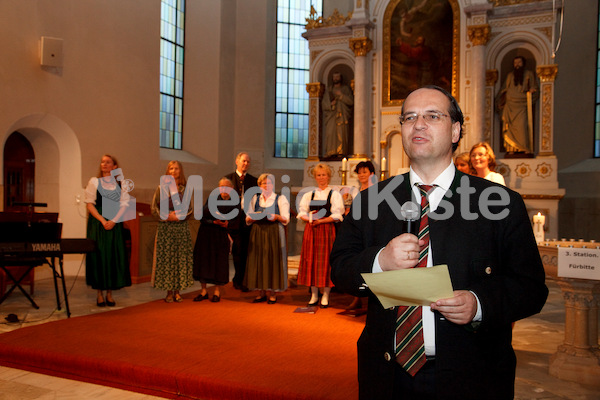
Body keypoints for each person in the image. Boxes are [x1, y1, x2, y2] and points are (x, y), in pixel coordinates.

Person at [330, 85, 548, 399]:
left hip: (471, 375)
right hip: (388, 376)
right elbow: (339, 269)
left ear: (456, 130)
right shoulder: (371, 201)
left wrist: (478, 303)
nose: (418, 124)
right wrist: (380, 262)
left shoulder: (499, 202)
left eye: (433, 116)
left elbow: (531, 288)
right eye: (409, 118)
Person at [84, 154, 131, 307]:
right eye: (102, 162)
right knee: (98, 256)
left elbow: (124, 205)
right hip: (98, 224)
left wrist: (113, 221)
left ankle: (109, 293)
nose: (104, 164)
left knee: (112, 256)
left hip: (114, 223)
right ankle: (99, 293)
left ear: (115, 166)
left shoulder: (120, 183)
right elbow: (90, 204)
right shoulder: (94, 182)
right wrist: (103, 220)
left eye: (108, 162)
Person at [297, 163, 345, 308]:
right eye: (319, 175)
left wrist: (322, 220)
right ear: (315, 177)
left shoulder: (334, 194)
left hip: (326, 230)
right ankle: (314, 294)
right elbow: (301, 213)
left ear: (328, 177)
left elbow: (338, 215)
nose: (321, 177)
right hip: (312, 230)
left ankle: (325, 295)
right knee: (311, 260)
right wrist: (311, 219)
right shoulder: (309, 194)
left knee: (325, 262)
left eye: (324, 175)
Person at [151, 160, 194, 303]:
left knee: (179, 259)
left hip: (181, 228)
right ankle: (169, 291)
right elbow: (153, 208)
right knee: (168, 260)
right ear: (167, 171)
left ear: (180, 171)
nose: (174, 171)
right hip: (166, 228)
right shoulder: (161, 188)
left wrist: (180, 216)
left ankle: (178, 291)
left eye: (176, 168)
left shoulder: (185, 188)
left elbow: (190, 210)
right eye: (171, 168)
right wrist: (167, 217)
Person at [244, 173, 290, 304]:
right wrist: (252, 217)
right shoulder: (255, 199)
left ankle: (273, 293)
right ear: (259, 186)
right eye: (264, 183)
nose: (266, 186)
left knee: (272, 261)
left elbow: (286, 218)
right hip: (258, 231)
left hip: (273, 231)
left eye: (269, 183)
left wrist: (275, 216)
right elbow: (247, 217)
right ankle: (261, 292)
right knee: (259, 260)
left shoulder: (280, 199)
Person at [192, 178, 238, 303]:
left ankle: (217, 292)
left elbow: (237, 220)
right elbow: (201, 216)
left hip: (221, 235)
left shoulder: (235, 202)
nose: (224, 189)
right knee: (204, 262)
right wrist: (213, 221)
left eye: (226, 187)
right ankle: (203, 291)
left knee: (219, 263)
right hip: (206, 234)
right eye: (221, 187)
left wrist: (228, 223)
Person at [224, 152, 258, 293]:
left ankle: (242, 279)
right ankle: (237, 279)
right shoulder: (228, 178)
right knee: (237, 251)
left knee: (246, 251)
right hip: (233, 220)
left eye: (248, 162)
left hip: (247, 221)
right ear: (237, 161)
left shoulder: (253, 180)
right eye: (244, 161)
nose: (246, 164)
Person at [496, 55, 538, 155]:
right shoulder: (510, 76)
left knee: (522, 127)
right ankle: (511, 148)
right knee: (509, 127)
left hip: (522, 104)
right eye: (515, 63)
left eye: (519, 62)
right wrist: (503, 97)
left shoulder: (528, 74)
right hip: (510, 105)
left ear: (523, 63)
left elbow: (534, 87)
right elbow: (504, 89)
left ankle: (524, 148)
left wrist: (532, 91)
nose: (517, 65)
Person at [322, 72, 354, 158]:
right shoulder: (329, 90)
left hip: (342, 116)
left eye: (337, 77)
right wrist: (331, 104)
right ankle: (330, 152)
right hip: (331, 116)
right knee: (330, 133)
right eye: (334, 77)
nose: (336, 79)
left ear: (340, 78)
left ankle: (341, 152)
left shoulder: (345, 89)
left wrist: (341, 96)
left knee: (341, 134)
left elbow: (351, 101)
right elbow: (324, 104)